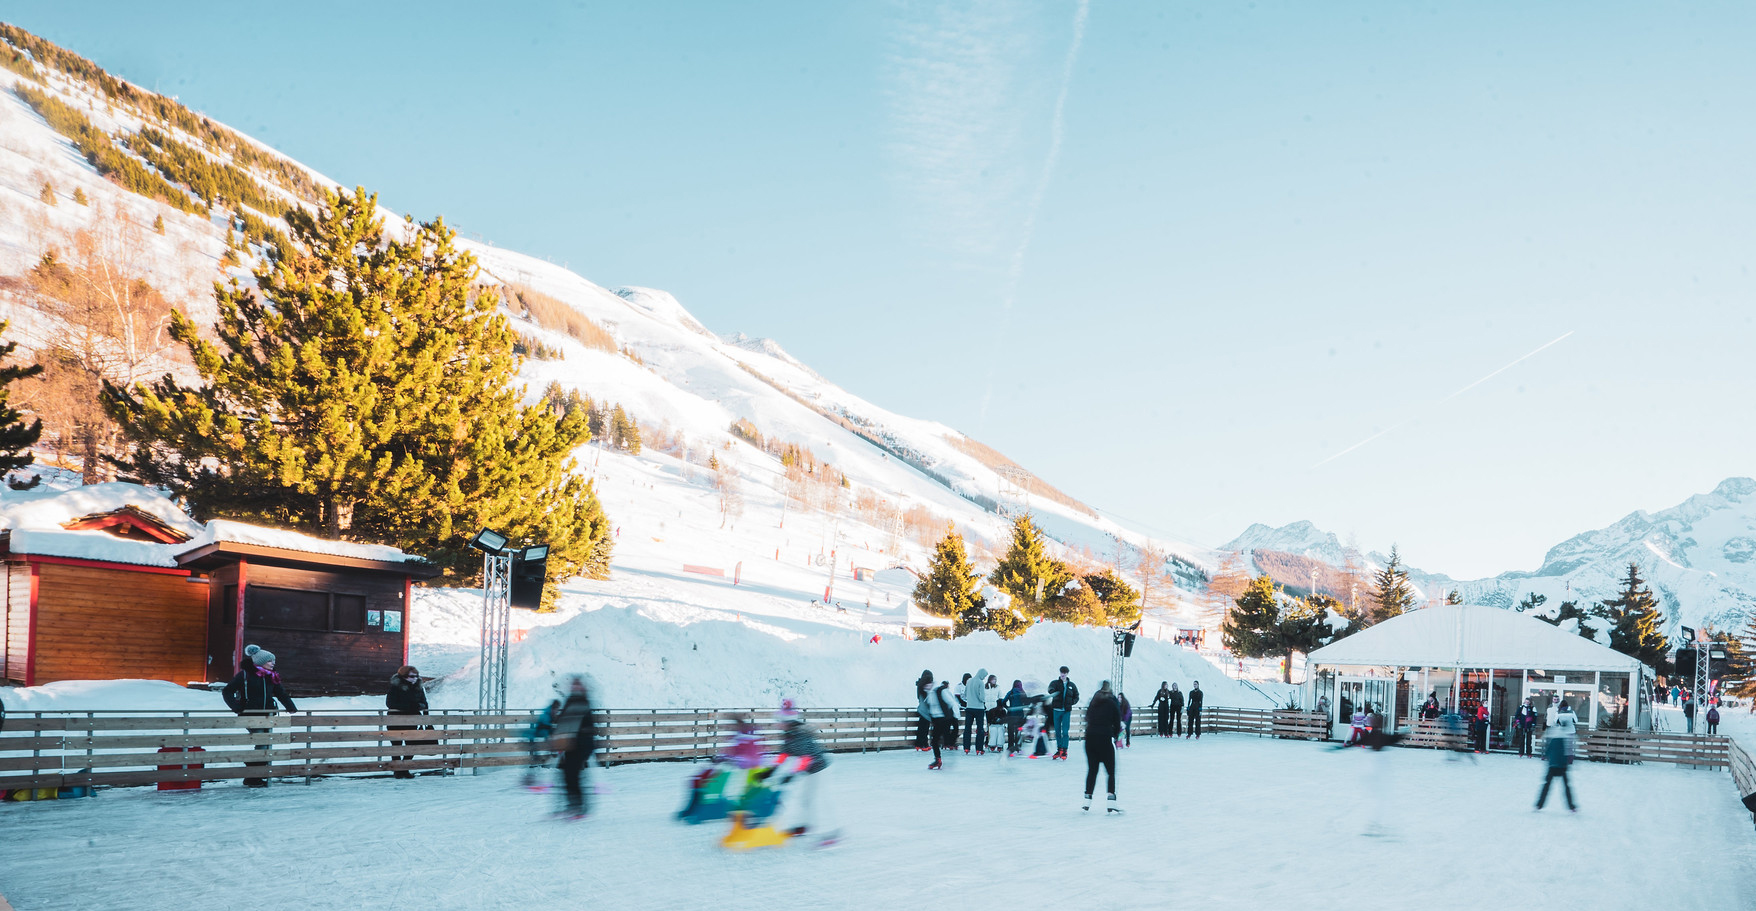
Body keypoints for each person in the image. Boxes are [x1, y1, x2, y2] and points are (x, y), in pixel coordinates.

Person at [221, 644, 296, 788]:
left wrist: (290, 706)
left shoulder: (271, 676)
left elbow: (280, 692)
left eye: (273, 661)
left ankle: (255, 775)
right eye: (270, 661)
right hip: (250, 715)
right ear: (261, 662)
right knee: (262, 742)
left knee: (266, 744)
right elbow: (227, 691)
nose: (273, 663)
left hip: (268, 715)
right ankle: (253, 775)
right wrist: (237, 707)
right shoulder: (245, 675)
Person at [775, 700, 836, 841]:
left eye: (780, 720)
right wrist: (770, 771)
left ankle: (834, 831)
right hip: (810, 769)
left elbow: (805, 759)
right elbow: (783, 755)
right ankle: (805, 826)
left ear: (787, 721)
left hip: (820, 768)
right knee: (805, 799)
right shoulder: (787, 735)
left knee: (823, 800)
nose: (778, 723)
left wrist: (790, 776)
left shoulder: (800, 734)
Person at [551, 676, 597, 820]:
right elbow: (565, 721)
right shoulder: (573, 700)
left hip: (581, 744)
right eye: (573, 685)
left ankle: (578, 806)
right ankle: (573, 805)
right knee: (567, 775)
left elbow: (571, 721)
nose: (574, 687)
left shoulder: (582, 701)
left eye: (577, 685)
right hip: (571, 745)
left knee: (573, 775)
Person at [1082, 680, 1122, 812]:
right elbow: (1117, 722)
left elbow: (1087, 717)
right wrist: (1116, 736)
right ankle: (1111, 800)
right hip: (1104, 738)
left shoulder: (1094, 701)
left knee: (1092, 770)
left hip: (1090, 739)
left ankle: (1087, 799)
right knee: (1110, 771)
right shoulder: (1112, 702)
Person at [385, 665, 429, 779]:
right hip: (395, 720)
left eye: (416, 676)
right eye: (412, 676)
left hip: (412, 720)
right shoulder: (395, 687)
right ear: (404, 676)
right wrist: (412, 706)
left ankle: (404, 768)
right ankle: (398, 770)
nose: (415, 678)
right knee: (396, 746)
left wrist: (426, 716)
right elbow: (391, 703)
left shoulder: (418, 687)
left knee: (412, 745)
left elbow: (424, 702)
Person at [1535, 699, 1578, 812]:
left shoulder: (1553, 732)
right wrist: (1569, 759)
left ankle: (1539, 804)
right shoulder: (1565, 734)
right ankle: (1571, 806)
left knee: (1547, 785)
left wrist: (1546, 756)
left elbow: (1547, 747)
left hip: (1553, 764)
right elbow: (1569, 749)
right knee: (1566, 786)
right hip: (1562, 764)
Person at [1047, 667, 1079, 760]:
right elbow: (1050, 689)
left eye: (1064, 673)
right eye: (1061, 672)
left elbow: (1077, 696)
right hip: (1056, 710)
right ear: (1060, 673)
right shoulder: (1055, 683)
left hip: (1066, 711)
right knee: (1057, 731)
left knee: (1065, 731)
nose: (1063, 674)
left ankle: (1065, 750)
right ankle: (1059, 749)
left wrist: (1071, 702)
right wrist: (1053, 691)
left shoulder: (1072, 685)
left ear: (1067, 673)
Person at [926, 677, 958, 770]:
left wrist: (955, 716)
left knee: (941, 739)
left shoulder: (941, 691)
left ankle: (939, 758)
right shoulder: (929, 693)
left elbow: (952, 702)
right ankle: (938, 759)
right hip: (936, 720)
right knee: (935, 741)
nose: (927, 686)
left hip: (944, 719)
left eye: (928, 684)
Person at [964, 668, 990, 754]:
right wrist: (983, 700)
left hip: (969, 707)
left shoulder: (969, 681)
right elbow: (981, 697)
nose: (984, 678)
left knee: (967, 728)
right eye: (984, 676)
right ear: (981, 674)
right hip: (979, 708)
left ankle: (966, 747)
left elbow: (964, 695)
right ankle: (979, 748)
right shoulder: (980, 682)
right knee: (980, 728)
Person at [1003, 679, 1031, 755]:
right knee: (1018, 731)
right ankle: (1018, 747)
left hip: (1011, 714)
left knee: (1011, 732)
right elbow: (1026, 702)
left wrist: (1008, 707)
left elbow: (1003, 701)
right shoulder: (1022, 692)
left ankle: (1010, 747)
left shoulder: (1010, 692)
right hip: (1020, 715)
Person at [914, 671, 934, 751]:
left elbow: (919, 697)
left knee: (921, 728)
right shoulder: (926, 686)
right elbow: (929, 699)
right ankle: (923, 745)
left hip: (921, 709)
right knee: (924, 728)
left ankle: (919, 744)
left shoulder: (920, 685)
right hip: (926, 711)